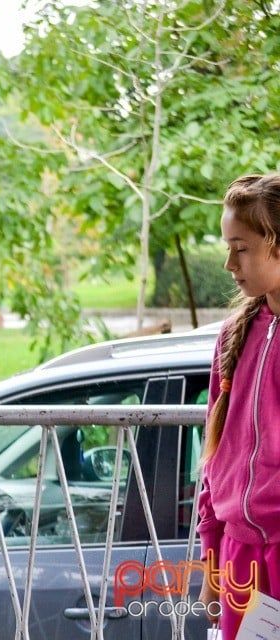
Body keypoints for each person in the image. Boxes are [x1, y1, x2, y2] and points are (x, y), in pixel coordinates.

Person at [197, 174, 280, 639]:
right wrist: (212, 562)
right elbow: (214, 460)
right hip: (238, 562)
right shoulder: (234, 336)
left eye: (241, 247)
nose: (229, 263)